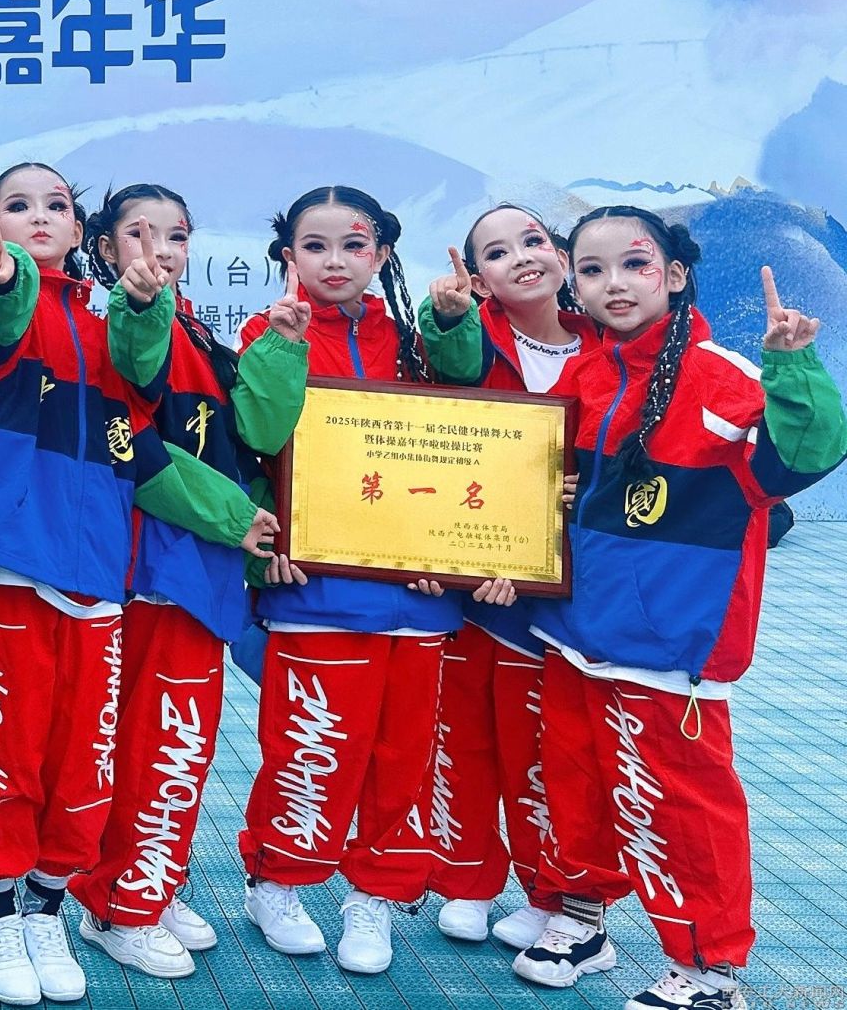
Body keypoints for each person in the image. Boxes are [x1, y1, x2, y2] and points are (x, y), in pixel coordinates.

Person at [0, 162, 279, 1006]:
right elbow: (7, 309)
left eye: (55, 204)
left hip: (98, 575)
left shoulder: (109, 320)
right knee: (0, 751)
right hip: (7, 568)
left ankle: (47, 909)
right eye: (18, 205)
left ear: (77, 227)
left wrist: (138, 304)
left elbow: (139, 372)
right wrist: (1, 277)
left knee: (81, 760)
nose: (38, 216)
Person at [512, 208, 843, 1010]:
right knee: (576, 787)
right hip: (578, 635)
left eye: (634, 264)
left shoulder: (722, 376)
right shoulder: (586, 376)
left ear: (675, 273)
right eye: (592, 270)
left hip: (671, 649)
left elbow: (804, 457)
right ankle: (582, 918)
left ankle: (709, 971)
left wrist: (795, 368)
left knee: (682, 810)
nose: (615, 283)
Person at [235, 185, 507, 977]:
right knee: (309, 747)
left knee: (402, 755)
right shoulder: (264, 332)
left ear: (382, 253)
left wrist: (454, 321)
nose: (335, 261)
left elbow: (466, 407)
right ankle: (278, 879)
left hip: (416, 596)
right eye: (314, 246)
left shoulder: (412, 339)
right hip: (314, 588)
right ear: (288, 256)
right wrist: (266, 548)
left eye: (354, 245)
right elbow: (251, 439)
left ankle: (375, 893)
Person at [68, 185, 309, 980]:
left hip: (202, 569)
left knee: (181, 740)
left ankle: (152, 877)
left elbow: (258, 430)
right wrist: (235, 517)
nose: (161, 250)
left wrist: (281, 346)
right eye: (139, 235)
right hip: (153, 569)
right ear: (106, 249)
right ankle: (119, 902)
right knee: (155, 738)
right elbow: (137, 442)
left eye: (175, 235)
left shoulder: (198, 329)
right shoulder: (122, 322)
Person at [416, 205, 598, 950]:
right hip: (472, 585)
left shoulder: (611, 346)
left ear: (562, 257)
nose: (520, 256)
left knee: (543, 751)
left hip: (565, 591)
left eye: (532, 241)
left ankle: (549, 888)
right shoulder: (468, 339)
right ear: (479, 279)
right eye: (495, 252)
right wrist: (449, 317)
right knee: (460, 739)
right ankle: (465, 877)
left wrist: (581, 494)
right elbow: (429, 436)